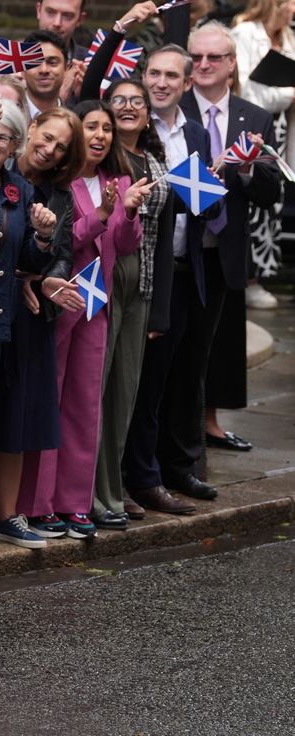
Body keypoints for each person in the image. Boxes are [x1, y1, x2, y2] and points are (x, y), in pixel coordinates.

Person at [23, 101, 147, 540]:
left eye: (107, 129)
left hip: (97, 301)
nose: (100, 135)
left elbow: (127, 244)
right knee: (48, 400)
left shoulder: (119, 181)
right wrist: (97, 217)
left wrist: (127, 210)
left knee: (84, 403)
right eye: (91, 127)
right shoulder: (61, 182)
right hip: (60, 298)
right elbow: (63, 241)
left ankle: (74, 501)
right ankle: (37, 503)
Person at [0, 108, 87, 543]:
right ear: (31, 130)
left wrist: (40, 278)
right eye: (47, 137)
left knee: (17, 413)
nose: (49, 149)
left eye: (61, 147)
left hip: (28, 315)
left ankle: (8, 513)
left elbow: (58, 250)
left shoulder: (57, 195)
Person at [180, 23, 281, 477]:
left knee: (219, 340)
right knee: (181, 340)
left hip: (227, 243)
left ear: (230, 63)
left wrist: (240, 172)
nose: (202, 65)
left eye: (212, 58)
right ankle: (179, 430)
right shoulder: (174, 108)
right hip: (181, 245)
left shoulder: (254, 117)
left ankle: (210, 422)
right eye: (196, 58)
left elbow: (269, 192)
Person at [122, 43, 217, 517]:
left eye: (171, 76)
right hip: (137, 275)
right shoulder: (130, 126)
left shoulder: (195, 132)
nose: (161, 83)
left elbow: (205, 206)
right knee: (134, 384)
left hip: (184, 269)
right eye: (154, 74)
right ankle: (137, 477)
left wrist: (210, 187)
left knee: (171, 381)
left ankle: (167, 469)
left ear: (186, 83)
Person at [91, 78, 173, 528]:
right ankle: (89, 492)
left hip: (142, 286)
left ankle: (112, 489)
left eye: (135, 101)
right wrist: (122, 28)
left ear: (147, 113)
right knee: (95, 391)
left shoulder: (157, 162)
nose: (126, 107)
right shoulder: (104, 158)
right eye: (117, 100)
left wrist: (159, 306)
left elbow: (162, 243)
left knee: (125, 394)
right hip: (106, 279)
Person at [232, 0, 295, 310]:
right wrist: (288, 93)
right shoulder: (244, 33)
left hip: (282, 127)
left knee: (273, 199)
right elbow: (244, 89)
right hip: (254, 127)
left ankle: (260, 275)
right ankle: (247, 278)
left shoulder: (287, 37)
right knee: (251, 201)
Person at [21, 30, 69, 118]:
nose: (44, 70)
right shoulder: (4, 117)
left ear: (66, 69)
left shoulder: (75, 123)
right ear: (22, 71)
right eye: (35, 63)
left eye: (52, 62)